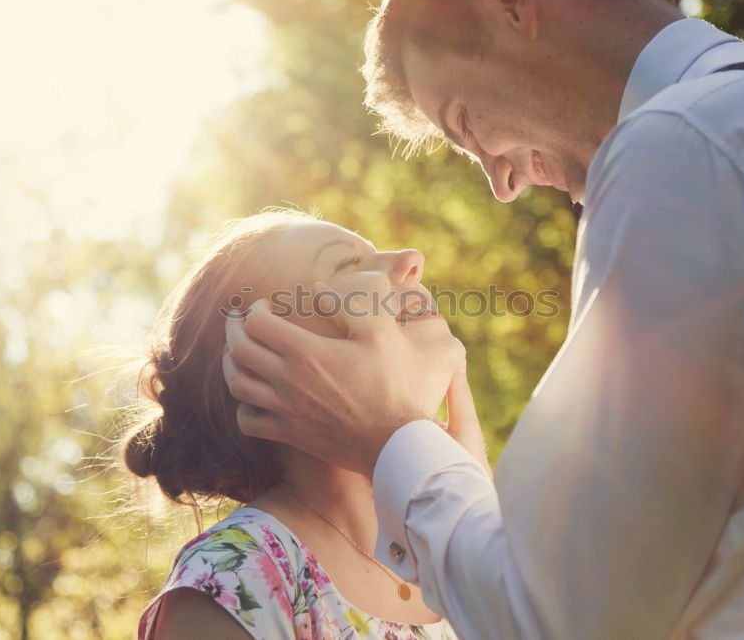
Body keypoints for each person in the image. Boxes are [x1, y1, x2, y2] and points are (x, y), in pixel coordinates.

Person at [221, 0, 744, 638]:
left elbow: (566, 619)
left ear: (509, 0)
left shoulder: (687, 144)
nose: (502, 181)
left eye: (465, 122)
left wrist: (390, 439)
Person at [123, 210, 484, 639]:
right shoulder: (234, 578)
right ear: (258, 353)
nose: (411, 259)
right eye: (347, 264)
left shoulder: (476, 552)